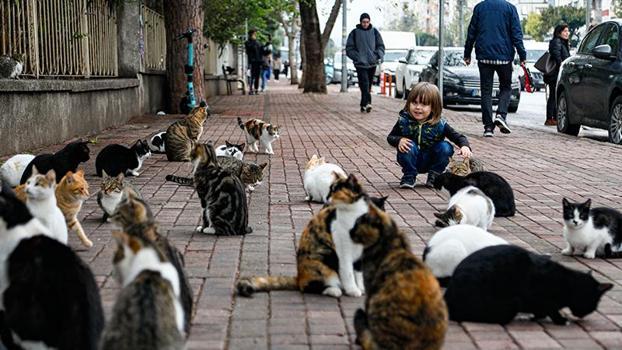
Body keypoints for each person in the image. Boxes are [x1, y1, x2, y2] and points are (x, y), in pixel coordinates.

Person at [387, 82, 472, 189]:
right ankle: (409, 176)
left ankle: (434, 175)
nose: (418, 107)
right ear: (408, 103)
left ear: (433, 107)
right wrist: (399, 140)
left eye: (423, 104)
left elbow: (458, 137)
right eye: (414, 103)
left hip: (431, 159)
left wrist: (465, 146)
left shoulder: (440, 124)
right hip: (411, 158)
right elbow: (390, 137)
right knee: (407, 144)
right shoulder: (404, 121)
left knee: (445, 147)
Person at [464, 0, 526, 137]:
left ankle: (488, 128)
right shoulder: (510, 8)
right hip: (504, 57)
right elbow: (516, 34)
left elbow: (471, 32)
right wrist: (522, 55)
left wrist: (467, 54)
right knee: (506, 87)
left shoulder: (480, 8)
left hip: (484, 56)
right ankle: (501, 115)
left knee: (486, 90)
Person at [346, 12, 385, 113]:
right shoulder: (354, 33)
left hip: (372, 63)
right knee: (365, 83)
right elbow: (349, 48)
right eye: (363, 22)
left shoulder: (375, 32)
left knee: (368, 85)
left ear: (369, 22)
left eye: (367, 22)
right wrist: (357, 57)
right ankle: (368, 103)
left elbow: (381, 46)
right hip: (360, 64)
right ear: (360, 22)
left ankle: (363, 104)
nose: (365, 24)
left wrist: (377, 55)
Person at [544, 24, 570, 126]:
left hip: (558, 72)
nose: (567, 33)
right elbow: (557, 56)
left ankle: (554, 117)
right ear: (559, 32)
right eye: (565, 31)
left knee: (555, 95)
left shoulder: (562, 42)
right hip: (555, 73)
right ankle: (550, 118)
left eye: (568, 31)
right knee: (553, 96)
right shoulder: (557, 42)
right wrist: (562, 67)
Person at [245, 29, 264, 95]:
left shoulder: (257, 42)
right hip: (252, 61)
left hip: (258, 61)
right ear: (251, 34)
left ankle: (256, 89)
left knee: (257, 76)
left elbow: (261, 50)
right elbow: (249, 50)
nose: (255, 35)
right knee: (251, 76)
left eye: (255, 33)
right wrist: (253, 41)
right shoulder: (248, 42)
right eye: (254, 33)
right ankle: (251, 90)